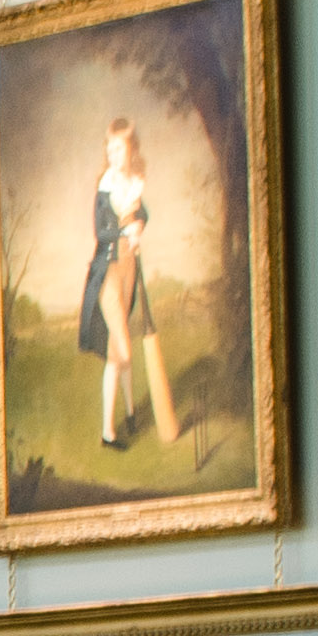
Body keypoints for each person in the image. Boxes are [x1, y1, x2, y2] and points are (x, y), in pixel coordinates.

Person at [78, 111, 185, 451]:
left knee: (120, 345)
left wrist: (139, 224)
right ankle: (107, 434)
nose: (114, 156)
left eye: (119, 150)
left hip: (129, 269)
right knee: (121, 350)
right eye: (109, 150)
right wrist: (127, 229)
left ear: (131, 151)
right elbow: (101, 231)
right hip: (108, 272)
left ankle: (127, 414)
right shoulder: (105, 187)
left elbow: (144, 213)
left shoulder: (134, 182)